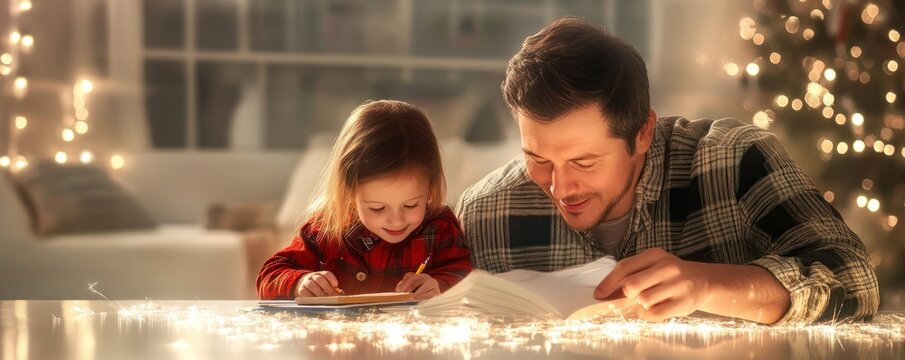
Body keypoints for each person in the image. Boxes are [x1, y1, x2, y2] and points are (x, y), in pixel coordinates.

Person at [456, 17, 878, 324]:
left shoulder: (734, 162)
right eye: (538, 159)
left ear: (642, 133)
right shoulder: (484, 213)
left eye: (584, 162)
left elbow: (856, 281)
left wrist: (708, 285)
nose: (560, 187)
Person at [258, 100, 472, 300]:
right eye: (377, 208)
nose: (396, 220)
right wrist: (300, 281)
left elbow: (465, 276)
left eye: (410, 205)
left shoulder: (440, 226)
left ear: (430, 187)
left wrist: (439, 285)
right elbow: (269, 274)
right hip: (339, 338)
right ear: (349, 192)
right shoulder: (327, 228)